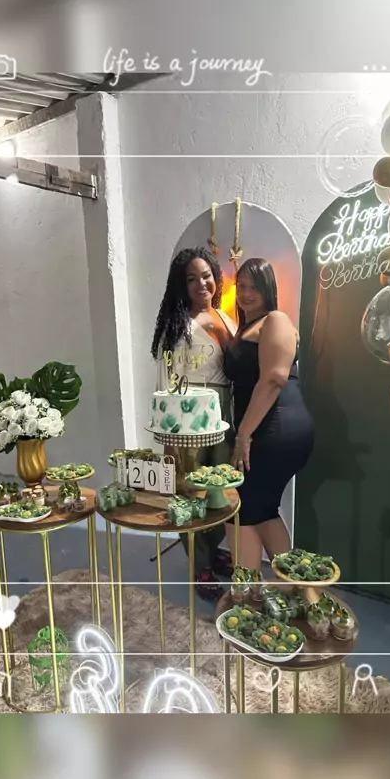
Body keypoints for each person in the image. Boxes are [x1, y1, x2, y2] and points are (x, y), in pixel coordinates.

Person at [151, 247, 237, 601]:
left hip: (223, 412)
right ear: (181, 285)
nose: (201, 283)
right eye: (191, 278)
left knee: (221, 489)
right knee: (190, 491)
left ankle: (211, 548)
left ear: (216, 278)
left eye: (206, 276)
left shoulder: (227, 318)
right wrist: (168, 435)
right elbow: (165, 380)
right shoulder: (177, 324)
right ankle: (199, 564)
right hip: (187, 415)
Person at [224, 258, 315, 568]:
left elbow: (274, 379)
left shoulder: (275, 319)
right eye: (242, 286)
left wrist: (243, 436)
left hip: (275, 428)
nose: (246, 294)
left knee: (240, 510)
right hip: (267, 428)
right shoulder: (246, 327)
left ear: (268, 290)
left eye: (255, 287)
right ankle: (296, 587)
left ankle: (247, 592)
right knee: (262, 510)